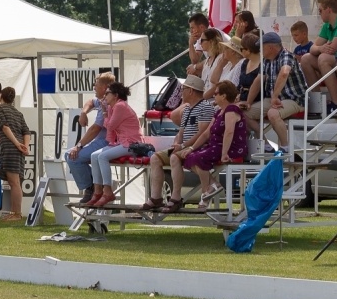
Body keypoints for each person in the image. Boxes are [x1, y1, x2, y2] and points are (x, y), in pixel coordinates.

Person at [167, 80, 248, 212]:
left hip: (229, 148)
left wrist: (224, 153)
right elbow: (206, 134)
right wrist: (191, 148)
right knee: (188, 156)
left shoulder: (231, 110)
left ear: (224, 96)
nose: (213, 96)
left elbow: (229, 132)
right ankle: (212, 186)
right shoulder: (218, 112)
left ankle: (206, 193)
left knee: (199, 158)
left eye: (216, 93)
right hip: (215, 146)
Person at [140, 75, 214, 211]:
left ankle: (175, 198)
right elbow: (181, 132)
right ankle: (156, 197)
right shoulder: (186, 109)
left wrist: (183, 146)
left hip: (197, 147)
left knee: (174, 157)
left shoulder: (205, 107)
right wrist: (176, 144)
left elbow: (202, 134)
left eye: (183, 89)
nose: (181, 93)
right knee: (155, 158)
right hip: (184, 146)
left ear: (191, 91)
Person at [244, 32, 308, 151]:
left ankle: (285, 147)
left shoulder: (286, 55)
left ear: (270, 47)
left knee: (273, 114)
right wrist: (248, 102)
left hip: (295, 99)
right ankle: (266, 145)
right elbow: (258, 81)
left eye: (261, 47)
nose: (260, 50)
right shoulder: (266, 60)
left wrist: (274, 96)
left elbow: (284, 73)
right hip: (275, 99)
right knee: (243, 113)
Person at [85, 82, 144, 208]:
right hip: (121, 142)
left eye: (107, 93)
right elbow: (110, 130)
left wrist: (105, 112)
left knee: (102, 157)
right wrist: (110, 144)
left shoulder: (120, 106)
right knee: (94, 156)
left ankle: (107, 191)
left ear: (116, 95)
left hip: (132, 143)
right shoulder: (113, 107)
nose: (105, 96)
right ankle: (97, 191)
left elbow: (110, 126)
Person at [65, 72, 116, 203]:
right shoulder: (104, 100)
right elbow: (91, 102)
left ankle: (94, 187)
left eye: (96, 84)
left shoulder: (107, 103)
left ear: (104, 87)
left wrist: (79, 145)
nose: (94, 86)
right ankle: (95, 186)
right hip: (105, 140)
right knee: (70, 155)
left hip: (108, 142)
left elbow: (95, 129)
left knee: (72, 156)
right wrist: (83, 112)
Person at [300, 0, 337, 113]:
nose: (319, 14)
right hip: (335, 61)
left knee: (323, 58)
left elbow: (332, 49)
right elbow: (312, 48)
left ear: (328, 10)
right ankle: (317, 103)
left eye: (320, 10)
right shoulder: (326, 26)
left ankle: (336, 103)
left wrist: (321, 48)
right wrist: (320, 48)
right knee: (305, 59)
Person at [0, 86, 31, 221]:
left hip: (10, 147)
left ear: (1, 97)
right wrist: (24, 146)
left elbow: (4, 127)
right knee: (15, 181)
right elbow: (26, 132)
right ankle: (14, 212)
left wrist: (16, 144)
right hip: (19, 148)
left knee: (14, 182)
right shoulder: (18, 113)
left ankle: (16, 213)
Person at [237, 32, 263, 132]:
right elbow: (240, 83)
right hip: (243, 97)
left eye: (241, 48)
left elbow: (259, 85)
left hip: (258, 98)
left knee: (236, 111)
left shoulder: (263, 63)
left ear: (248, 50)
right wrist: (237, 94)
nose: (240, 51)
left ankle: (264, 142)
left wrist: (248, 101)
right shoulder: (245, 62)